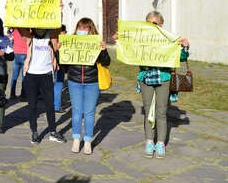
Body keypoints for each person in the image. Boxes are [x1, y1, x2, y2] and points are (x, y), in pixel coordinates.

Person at [114, 11, 189, 159]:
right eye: (148, 23)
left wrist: (185, 47)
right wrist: (119, 40)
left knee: (161, 112)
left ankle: (160, 144)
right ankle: (149, 142)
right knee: (148, 111)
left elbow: (180, 57)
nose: (151, 26)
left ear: (161, 24)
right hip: (146, 77)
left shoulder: (169, 39)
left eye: (154, 23)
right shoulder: (141, 38)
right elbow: (130, 50)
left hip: (163, 77)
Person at [64, 18, 110, 155]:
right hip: (74, 81)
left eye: (85, 28)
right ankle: (76, 139)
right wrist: (61, 50)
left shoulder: (96, 43)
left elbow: (106, 62)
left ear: (90, 30)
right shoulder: (71, 42)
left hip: (92, 82)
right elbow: (64, 65)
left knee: (89, 112)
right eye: (79, 27)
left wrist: (103, 50)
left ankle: (88, 141)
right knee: (77, 111)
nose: (82, 30)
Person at [20, 26, 67, 145]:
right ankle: (34, 132)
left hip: (46, 75)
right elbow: (19, 25)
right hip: (31, 75)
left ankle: (52, 132)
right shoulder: (29, 37)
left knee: (50, 105)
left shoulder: (52, 37)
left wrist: (59, 9)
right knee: (32, 105)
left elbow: (57, 21)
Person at [8, 28, 28, 100]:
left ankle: (12, 93)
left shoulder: (15, 31)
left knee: (14, 76)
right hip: (25, 54)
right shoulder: (28, 32)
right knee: (24, 76)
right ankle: (23, 94)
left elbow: (9, 40)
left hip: (16, 54)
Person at [54, 25, 68, 113]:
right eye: (64, 31)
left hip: (56, 64)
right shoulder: (60, 41)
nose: (65, 33)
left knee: (57, 85)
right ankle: (56, 106)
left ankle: (56, 104)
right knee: (59, 85)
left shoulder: (52, 39)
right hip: (59, 64)